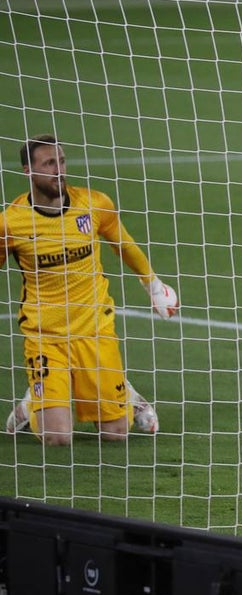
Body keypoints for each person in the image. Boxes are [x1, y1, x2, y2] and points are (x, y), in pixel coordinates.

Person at [2, 135, 178, 446]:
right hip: (46, 336)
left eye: (62, 161)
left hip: (95, 330)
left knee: (116, 434)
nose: (59, 170)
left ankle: (128, 394)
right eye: (49, 164)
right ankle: (34, 402)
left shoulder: (93, 204)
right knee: (57, 437)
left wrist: (153, 285)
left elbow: (124, 245)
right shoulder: (11, 224)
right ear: (28, 170)